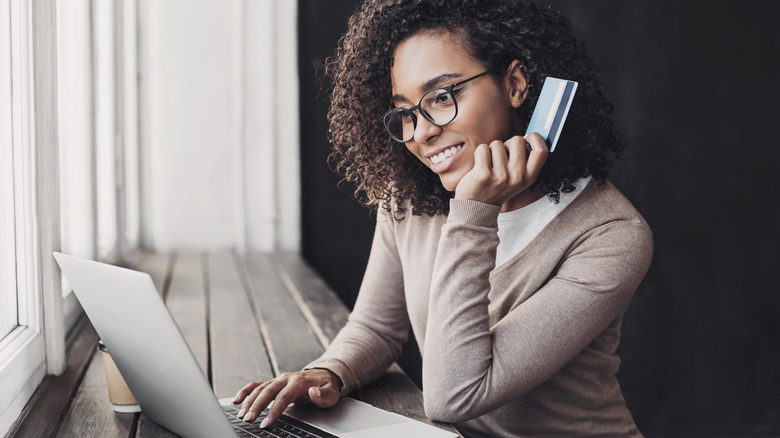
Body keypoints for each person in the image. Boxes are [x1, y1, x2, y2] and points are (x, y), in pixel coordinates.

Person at [234, 0, 653, 436]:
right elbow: (377, 328)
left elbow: (454, 396)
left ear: (514, 84)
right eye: (406, 112)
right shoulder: (410, 200)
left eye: (442, 97)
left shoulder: (611, 236)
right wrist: (330, 372)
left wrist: (474, 211)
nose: (422, 132)